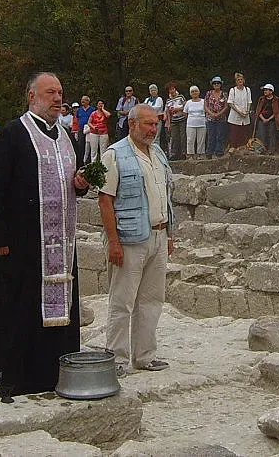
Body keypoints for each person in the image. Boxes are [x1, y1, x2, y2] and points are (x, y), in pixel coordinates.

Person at [0, 72, 89, 403]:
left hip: (60, 240)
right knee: (19, 307)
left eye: (60, 92)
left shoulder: (67, 136)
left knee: (60, 310)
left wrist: (80, 185)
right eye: (50, 92)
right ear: (32, 96)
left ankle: (54, 371)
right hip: (22, 242)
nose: (58, 98)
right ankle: (16, 374)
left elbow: (70, 179)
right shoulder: (14, 133)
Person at [98, 104, 174, 376]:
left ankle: (144, 355)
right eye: (148, 124)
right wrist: (113, 242)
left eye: (155, 124)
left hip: (158, 234)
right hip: (129, 239)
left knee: (152, 299)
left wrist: (169, 234)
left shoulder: (158, 153)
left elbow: (165, 195)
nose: (153, 129)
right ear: (132, 124)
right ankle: (117, 358)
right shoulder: (115, 155)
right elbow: (105, 199)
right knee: (122, 300)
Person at [226, 72, 253, 152]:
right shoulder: (233, 90)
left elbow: (249, 101)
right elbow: (230, 103)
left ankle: (242, 147)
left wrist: (247, 111)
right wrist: (239, 112)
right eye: (238, 80)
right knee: (234, 132)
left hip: (245, 115)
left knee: (244, 132)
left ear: (244, 80)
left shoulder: (247, 90)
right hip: (235, 115)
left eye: (241, 79)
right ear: (236, 81)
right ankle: (233, 147)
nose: (240, 81)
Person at [254, 83, 279, 154]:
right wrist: (263, 119)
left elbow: (277, 112)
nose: (265, 92)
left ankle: (271, 150)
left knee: (271, 134)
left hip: (272, 120)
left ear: (271, 91)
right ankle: (261, 149)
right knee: (261, 134)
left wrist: (268, 119)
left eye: (266, 90)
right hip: (262, 119)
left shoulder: (276, 99)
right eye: (264, 90)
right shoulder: (261, 99)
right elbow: (258, 110)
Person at [204, 76, 228, 158]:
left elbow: (226, 106)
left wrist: (219, 113)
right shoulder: (208, 93)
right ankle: (209, 152)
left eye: (218, 83)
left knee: (220, 135)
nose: (216, 84)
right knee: (211, 136)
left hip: (221, 118)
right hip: (210, 118)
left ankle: (219, 152)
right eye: (215, 83)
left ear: (221, 84)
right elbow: (205, 105)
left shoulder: (224, 94)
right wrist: (211, 113)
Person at [183, 86, 207, 158]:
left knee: (201, 140)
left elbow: (207, 111)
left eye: (196, 91)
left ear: (199, 92)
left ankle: (200, 154)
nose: (194, 93)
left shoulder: (203, 101)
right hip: (190, 124)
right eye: (192, 91)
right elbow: (185, 113)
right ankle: (190, 155)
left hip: (202, 123)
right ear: (190, 93)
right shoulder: (188, 102)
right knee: (190, 140)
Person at [164, 82, 186, 161]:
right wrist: (169, 123)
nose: (172, 91)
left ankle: (184, 153)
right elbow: (168, 113)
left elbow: (185, 106)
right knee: (174, 137)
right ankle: (174, 154)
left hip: (182, 119)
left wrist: (177, 109)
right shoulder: (168, 100)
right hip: (173, 121)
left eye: (173, 89)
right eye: (170, 89)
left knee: (183, 136)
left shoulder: (181, 97)